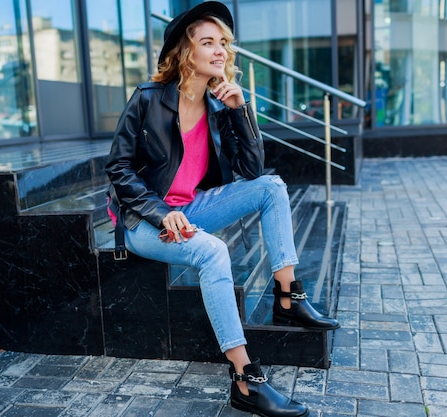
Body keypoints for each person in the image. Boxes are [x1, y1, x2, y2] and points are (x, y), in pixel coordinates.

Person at [105, 2, 339, 416]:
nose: (220, 51)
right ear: (185, 51)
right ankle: (246, 380)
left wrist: (240, 111)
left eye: (224, 44)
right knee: (213, 251)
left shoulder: (218, 106)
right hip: (143, 221)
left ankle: (288, 295)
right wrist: (160, 213)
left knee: (271, 187)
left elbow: (251, 171)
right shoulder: (148, 99)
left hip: (191, 209)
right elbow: (118, 168)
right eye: (208, 42)